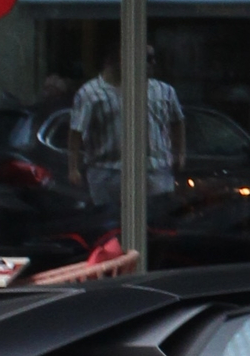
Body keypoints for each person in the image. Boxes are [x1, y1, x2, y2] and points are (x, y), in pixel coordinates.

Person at [68, 40, 184, 221]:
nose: (152, 64)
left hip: (155, 170)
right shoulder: (91, 93)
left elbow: (177, 121)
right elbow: (76, 131)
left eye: (153, 59)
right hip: (108, 171)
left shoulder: (164, 91)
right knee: (111, 224)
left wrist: (180, 153)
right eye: (147, 59)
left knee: (156, 223)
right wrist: (73, 167)